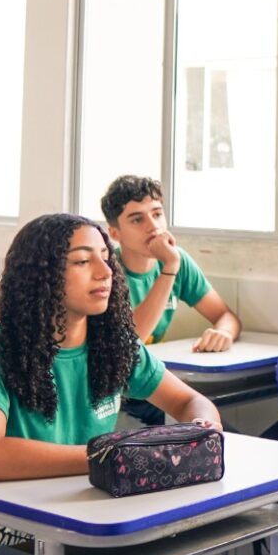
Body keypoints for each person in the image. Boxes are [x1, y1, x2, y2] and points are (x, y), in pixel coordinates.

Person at [0, 213, 219, 555]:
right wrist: (107, 457)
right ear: (42, 274)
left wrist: (202, 428)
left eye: (106, 257)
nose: (106, 271)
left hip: (77, 544)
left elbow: (192, 402)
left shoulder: (115, 346)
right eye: (84, 261)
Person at [100, 175, 241, 425]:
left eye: (157, 214)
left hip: (155, 381)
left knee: (221, 434)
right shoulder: (107, 272)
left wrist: (224, 333)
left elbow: (225, 315)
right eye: (137, 219)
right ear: (115, 233)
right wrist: (169, 267)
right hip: (121, 391)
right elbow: (129, 345)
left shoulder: (178, 261)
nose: (152, 226)